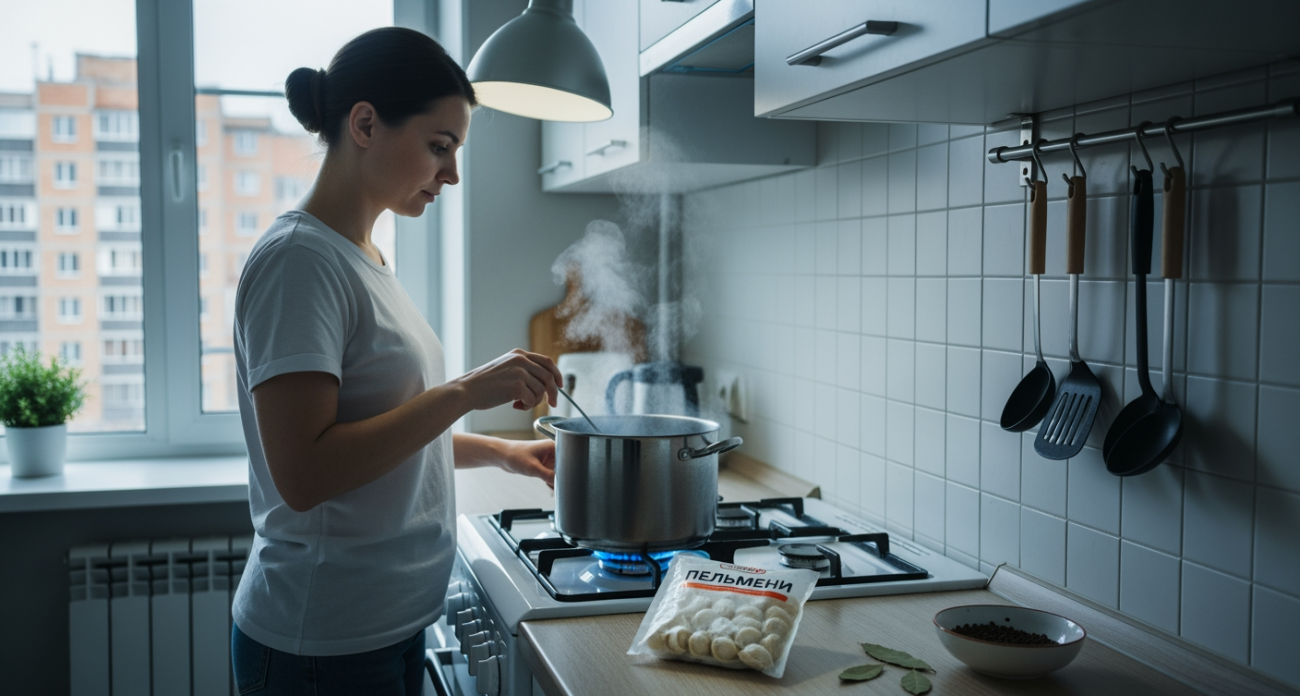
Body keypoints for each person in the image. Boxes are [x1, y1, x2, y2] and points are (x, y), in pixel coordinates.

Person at [229, 27, 561, 695]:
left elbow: (382, 431)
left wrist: (503, 455)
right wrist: (467, 389)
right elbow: (306, 472)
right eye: (440, 146)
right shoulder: (300, 262)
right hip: (321, 643)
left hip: (386, 625)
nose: (453, 173)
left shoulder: (365, 257)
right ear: (365, 124)